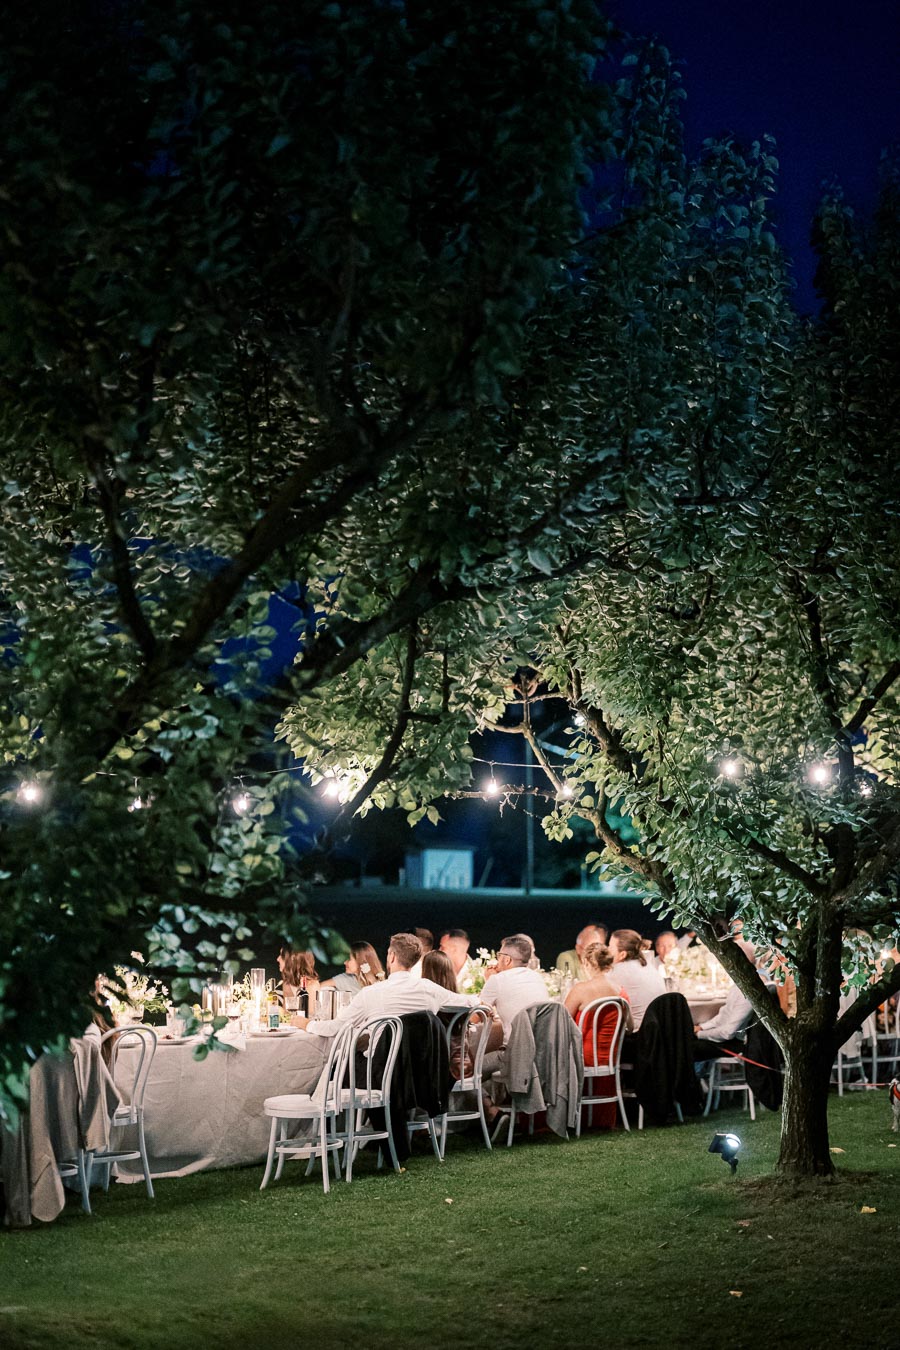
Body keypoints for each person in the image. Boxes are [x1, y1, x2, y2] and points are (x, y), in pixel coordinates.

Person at [293, 933, 476, 1037]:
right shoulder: (430, 989)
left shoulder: (370, 993)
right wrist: (482, 1004)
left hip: (379, 1075)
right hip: (420, 1076)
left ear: (392, 957)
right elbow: (467, 1001)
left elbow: (335, 1028)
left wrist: (306, 1024)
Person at [564, 942, 633, 1127]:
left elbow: (561, 1022)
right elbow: (631, 1027)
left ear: (586, 963)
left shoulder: (580, 989)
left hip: (584, 1056)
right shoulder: (620, 991)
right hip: (610, 1056)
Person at [479, 934, 550, 1046]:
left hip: (515, 1054)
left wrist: (489, 980)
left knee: (476, 1060)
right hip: (543, 1052)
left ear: (507, 960)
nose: (497, 959)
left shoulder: (497, 980)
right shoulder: (538, 977)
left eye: (499, 955)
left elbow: (476, 1017)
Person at [692, 939, 757, 1059]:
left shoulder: (748, 990)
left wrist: (699, 1034)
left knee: (682, 1048)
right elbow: (724, 1015)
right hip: (725, 1038)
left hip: (733, 1044)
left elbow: (728, 1032)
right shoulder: (739, 984)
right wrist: (702, 1027)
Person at [608, 929, 666, 1031]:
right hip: (659, 1031)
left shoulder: (618, 970)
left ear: (623, 954)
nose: (607, 950)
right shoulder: (648, 966)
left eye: (610, 947)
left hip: (638, 1034)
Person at [278, 947, 321, 1012]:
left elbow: (310, 1018)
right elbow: (285, 1014)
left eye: (282, 956)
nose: (278, 959)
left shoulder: (312, 986)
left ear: (292, 959)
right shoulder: (287, 984)